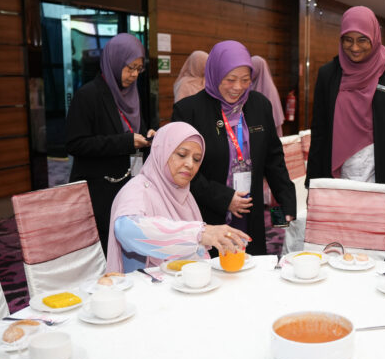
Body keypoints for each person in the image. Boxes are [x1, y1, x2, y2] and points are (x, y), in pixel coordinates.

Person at [171, 40, 296, 255]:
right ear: (215, 74)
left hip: (249, 210)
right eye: (230, 79)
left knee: (249, 264)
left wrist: (286, 201)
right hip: (208, 213)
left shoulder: (259, 105)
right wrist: (224, 198)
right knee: (213, 269)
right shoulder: (189, 111)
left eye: (245, 80)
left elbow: (273, 158)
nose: (238, 87)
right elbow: (181, 169)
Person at [306, 5, 385, 224]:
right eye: (348, 40)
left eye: (362, 40)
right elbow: (319, 133)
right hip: (339, 173)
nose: (355, 47)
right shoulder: (328, 74)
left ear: (374, 38)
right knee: (341, 232)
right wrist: (313, 184)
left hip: (383, 171)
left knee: (380, 233)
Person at [106, 122, 250, 273]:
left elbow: (195, 254)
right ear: (161, 152)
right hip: (146, 284)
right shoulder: (138, 189)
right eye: (182, 155)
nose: (190, 164)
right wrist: (199, 233)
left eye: (196, 159)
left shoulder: (183, 193)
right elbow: (125, 229)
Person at [66, 33, 156, 253]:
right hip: (100, 190)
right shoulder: (88, 95)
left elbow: (138, 130)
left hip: (130, 184)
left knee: (130, 247)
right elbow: (76, 143)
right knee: (105, 250)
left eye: (139, 69)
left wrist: (149, 137)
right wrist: (125, 142)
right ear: (114, 61)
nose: (134, 75)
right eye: (130, 68)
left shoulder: (133, 95)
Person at [251, 55, 285, 136]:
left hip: (268, 132)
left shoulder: (269, 89)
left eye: (252, 69)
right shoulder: (251, 84)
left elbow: (272, 117)